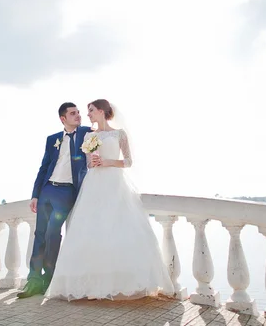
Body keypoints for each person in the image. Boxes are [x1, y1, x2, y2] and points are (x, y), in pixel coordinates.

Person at [45, 99, 174, 300]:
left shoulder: (119, 134)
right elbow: (88, 161)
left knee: (120, 229)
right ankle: (92, 285)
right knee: (92, 229)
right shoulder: (89, 135)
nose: (88, 114)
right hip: (94, 183)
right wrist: (94, 161)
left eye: (91, 110)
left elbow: (129, 161)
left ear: (103, 111)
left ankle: (121, 284)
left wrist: (108, 162)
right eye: (87, 111)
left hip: (115, 183)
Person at [17, 102, 93, 298]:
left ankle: (49, 279)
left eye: (78, 112)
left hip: (67, 192)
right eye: (73, 113)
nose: (78, 115)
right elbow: (43, 168)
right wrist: (35, 194)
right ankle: (33, 280)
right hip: (47, 190)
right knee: (40, 233)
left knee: (52, 233)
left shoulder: (86, 133)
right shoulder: (52, 139)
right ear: (63, 119)